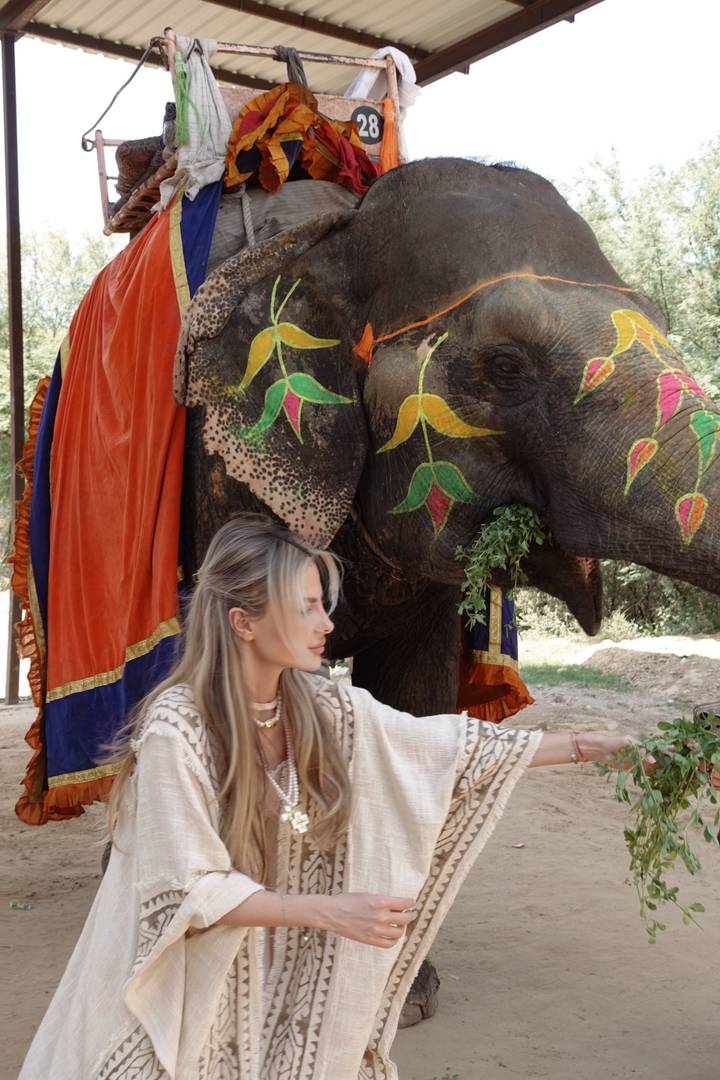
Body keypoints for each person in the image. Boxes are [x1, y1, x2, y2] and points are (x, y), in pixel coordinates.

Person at [20, 514, 637, 1080]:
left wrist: (583, 745)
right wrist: (328, 911)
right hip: (184, 984)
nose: (327, 624)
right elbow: (189, 890)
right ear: (244, 622)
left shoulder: (318, 705)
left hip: (273, 981)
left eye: (323, 605)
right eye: (307, 608)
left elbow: (439, 746)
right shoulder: (176, 731)